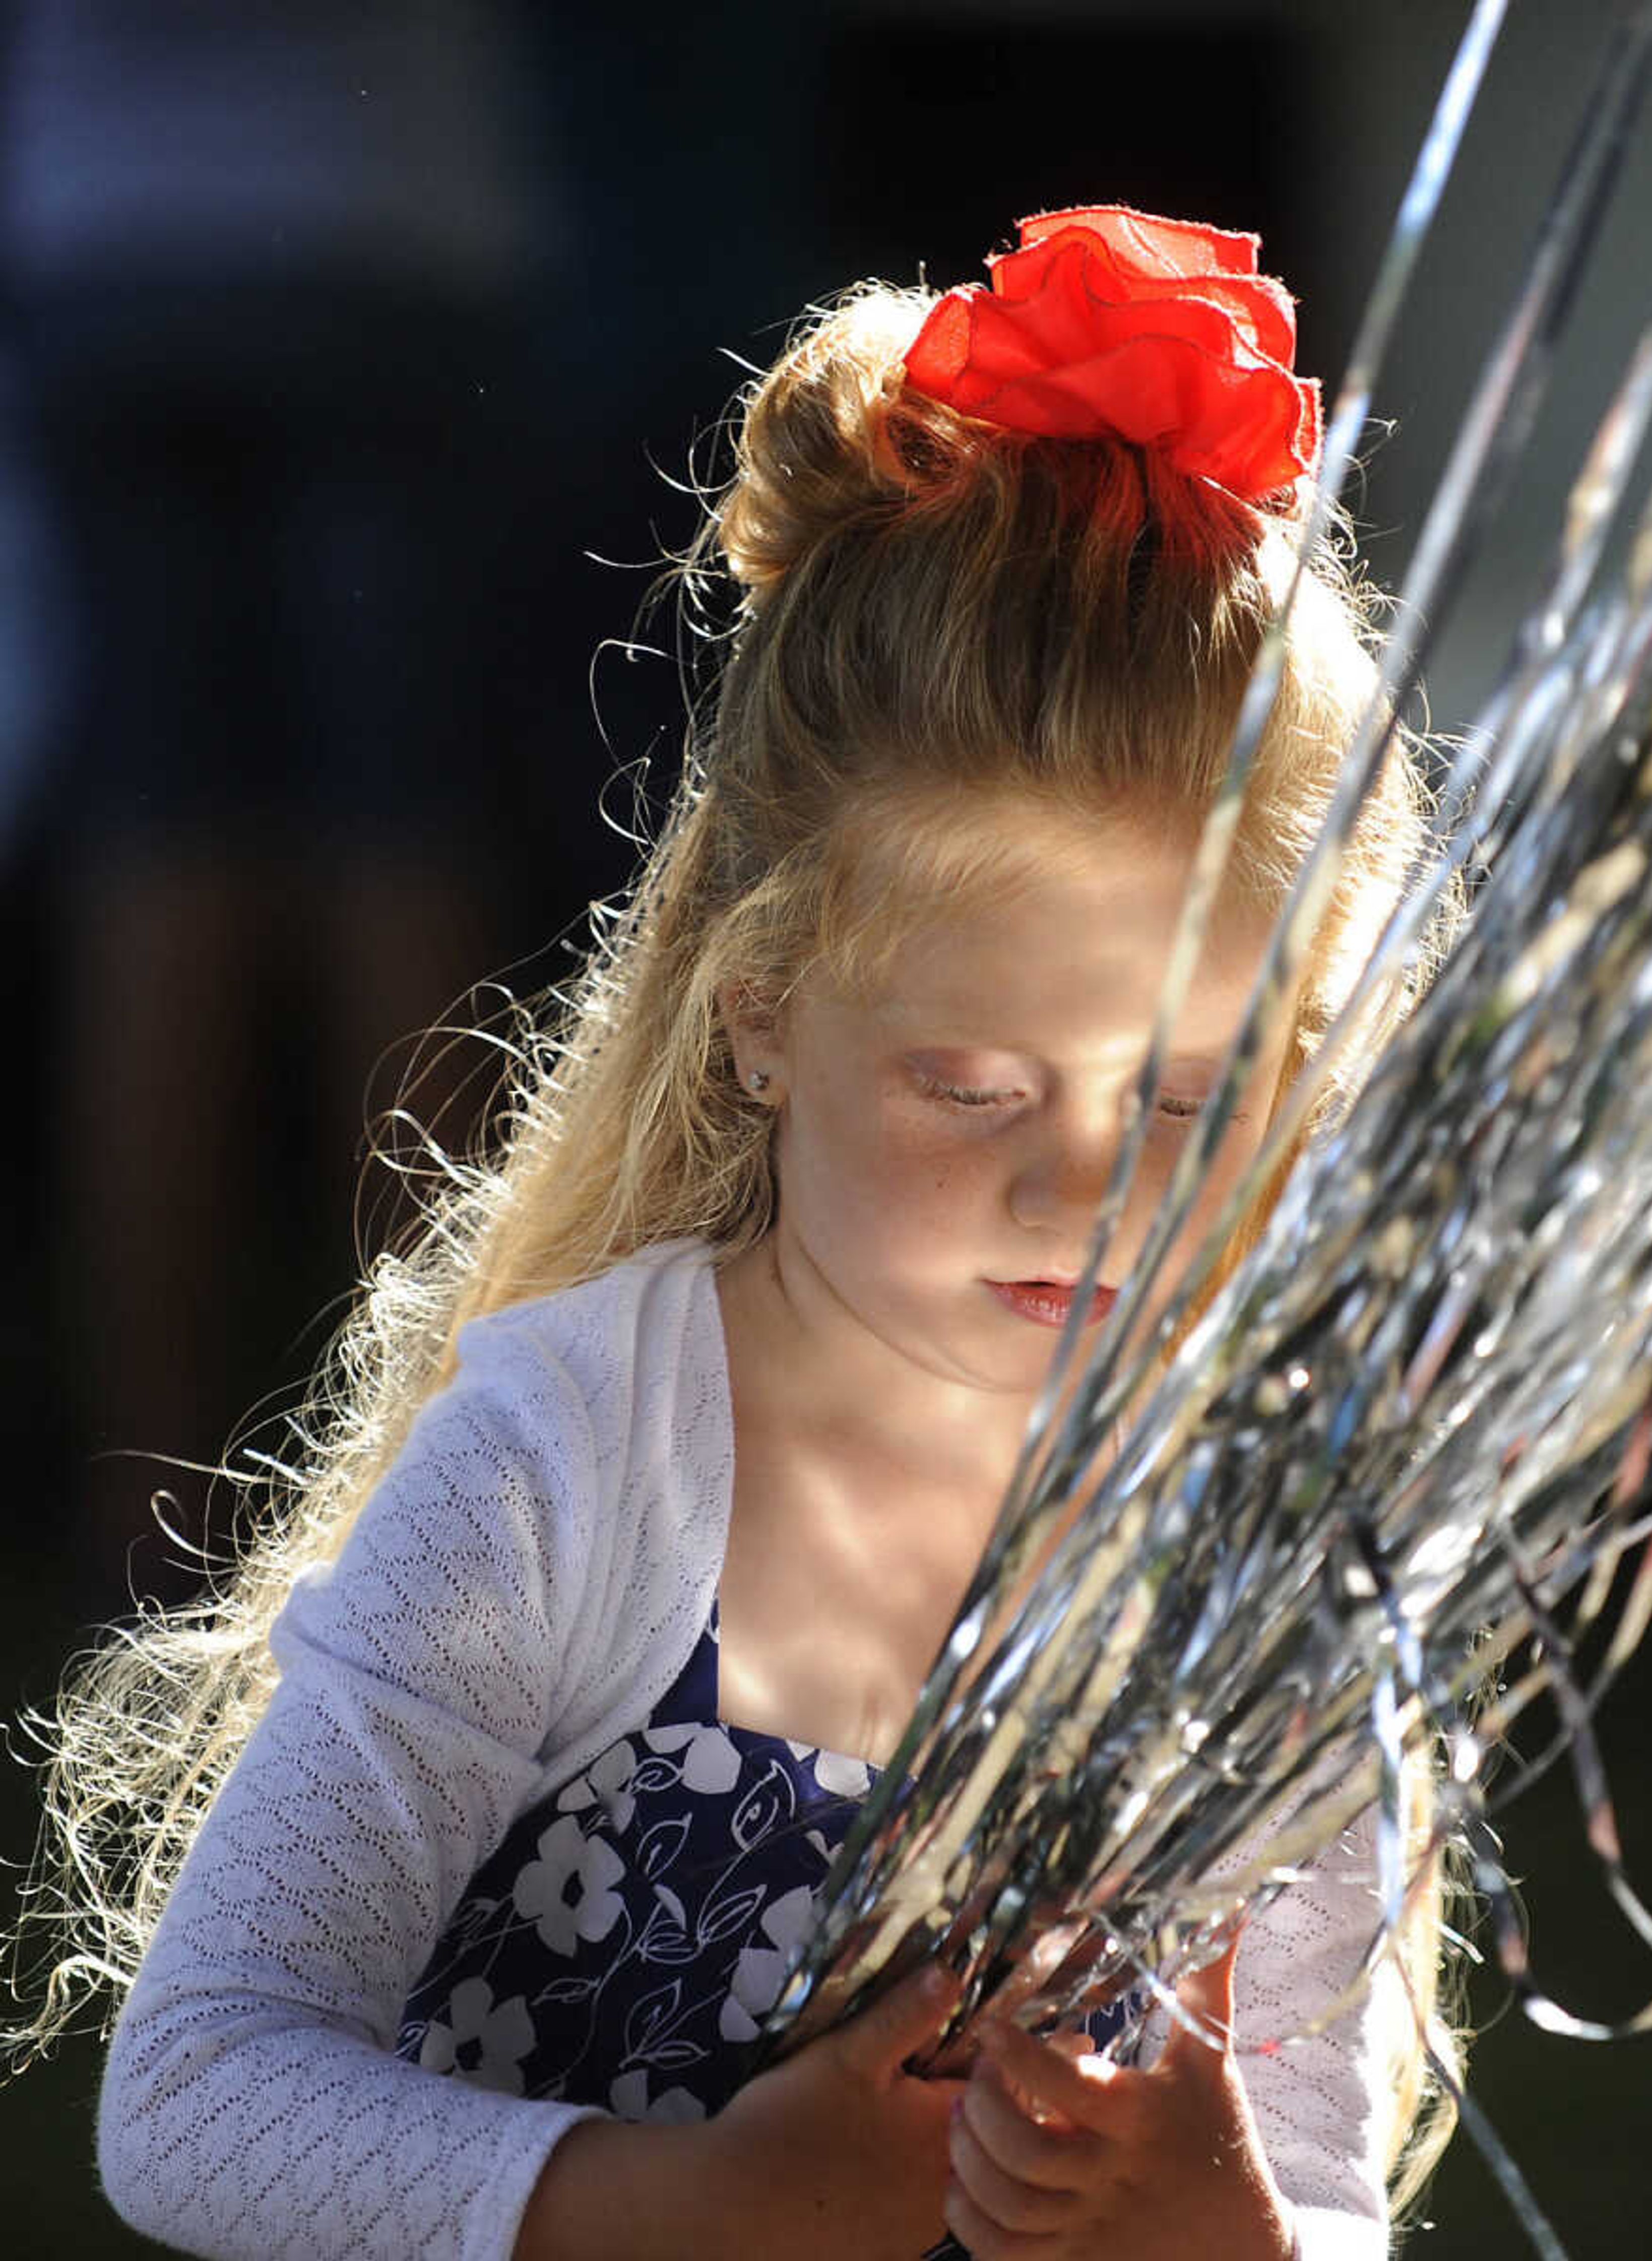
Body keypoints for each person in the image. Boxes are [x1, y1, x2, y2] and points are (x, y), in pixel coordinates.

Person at [14, 209, 1456, 2259]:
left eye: (1195, 1098)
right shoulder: (575, 1466)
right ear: (764, 1012)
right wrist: (691, 2200)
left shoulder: (1276, 1595)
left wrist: (1224, 2224)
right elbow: (199, 2091)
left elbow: (1320, 2203)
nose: (1082, 1185)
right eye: (971, 1085)